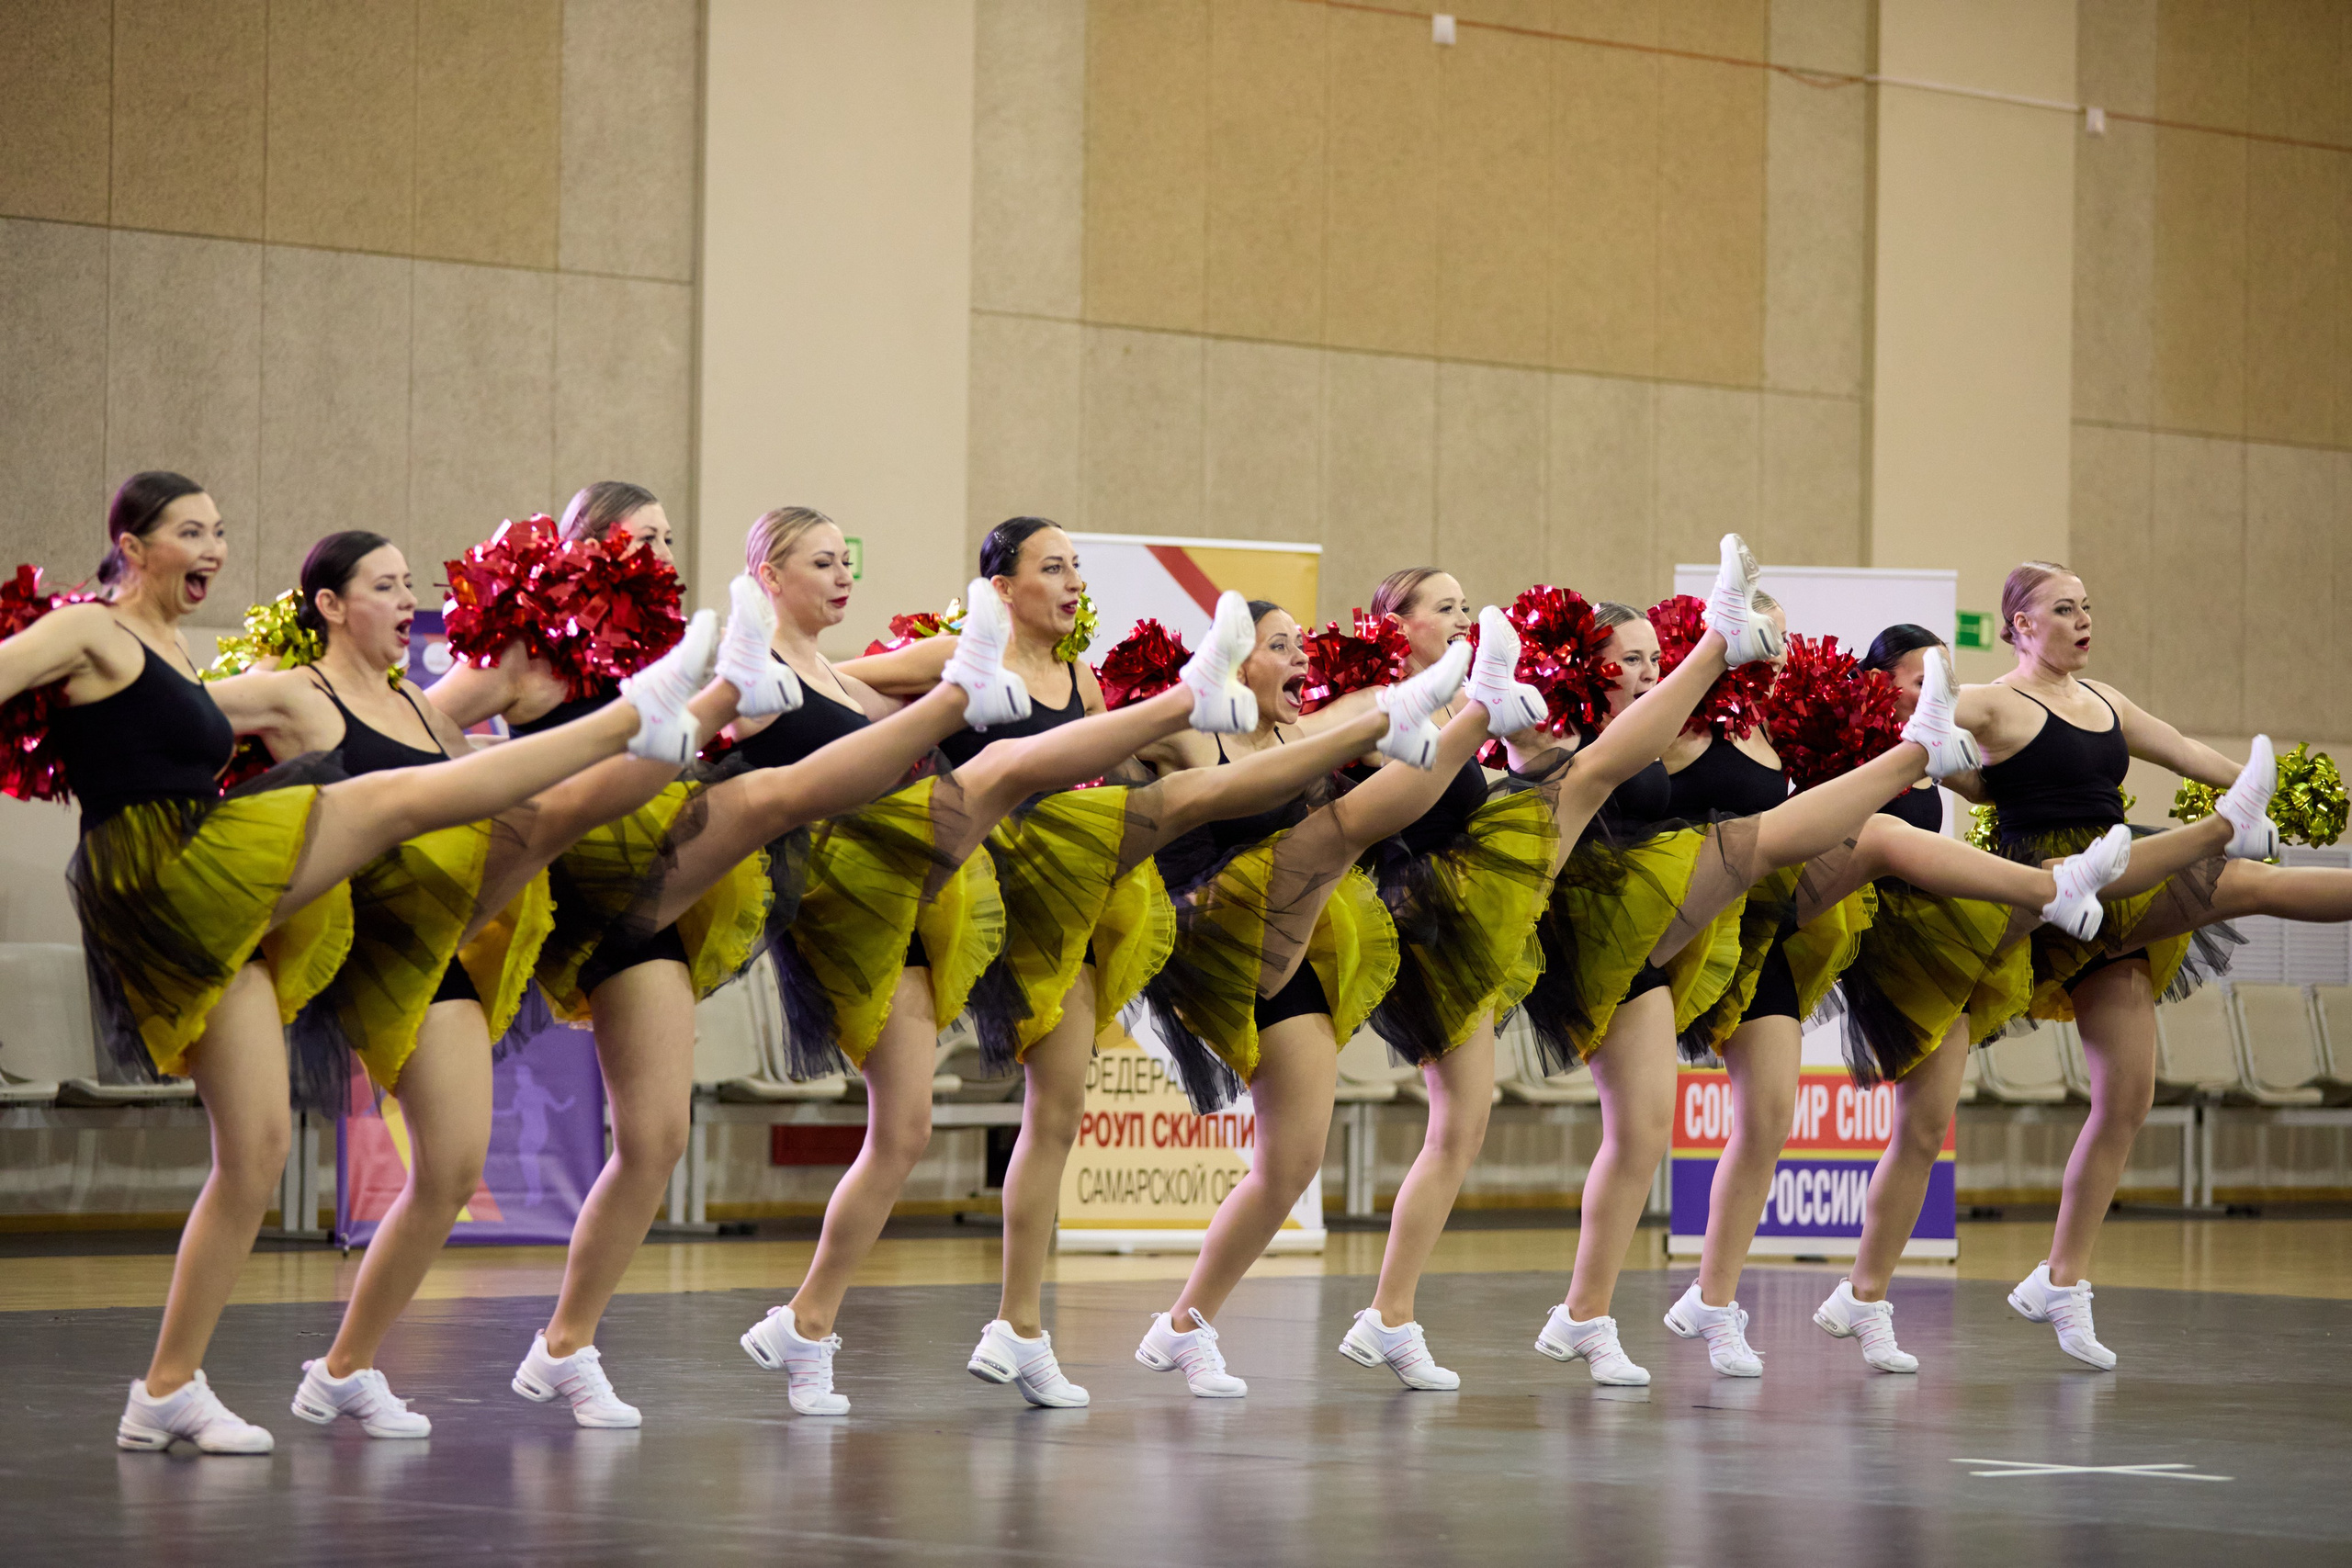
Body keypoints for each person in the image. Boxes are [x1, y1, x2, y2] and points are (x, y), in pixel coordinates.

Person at [0, 471, 715, 1453]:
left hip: (240, 878)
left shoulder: (178, 652)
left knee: (259, 1155)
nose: (212, 548)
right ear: (130, 542)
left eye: (220, 530)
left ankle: (172, 1390)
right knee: (386, 805)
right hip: (162, 867)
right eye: (189, 532)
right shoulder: (92, 633)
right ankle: (641, 719)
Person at [1945, 562, 2352, 1368]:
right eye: (2063, 609)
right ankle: (2224, 835)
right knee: (2249, 885)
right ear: (2021, 624)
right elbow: (1922, 720)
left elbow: (2187, 750)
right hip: (2059, 891)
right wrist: (1945, 759)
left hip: (2123, 898)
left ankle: (2062, 1280)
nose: (2082, 619)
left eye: (2088, 606)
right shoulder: (1996, 699)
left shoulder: (2109, 703)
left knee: (2128, 1099)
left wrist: (2256, 789)